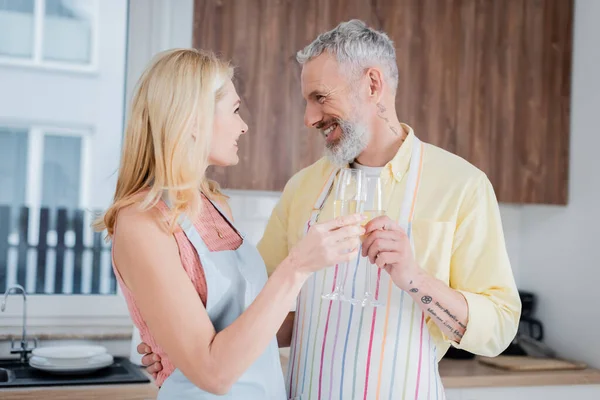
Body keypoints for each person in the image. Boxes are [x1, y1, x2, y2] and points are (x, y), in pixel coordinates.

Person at [140, 20, 521, 399]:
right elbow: (267, 314)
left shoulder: (461, 186)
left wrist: (414, 278)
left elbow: (498, 329)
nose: (309, 117)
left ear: (373, 85)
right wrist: (184, 351)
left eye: (320, 98)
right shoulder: (304, 187)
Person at [94, 48, 365, 399]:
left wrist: (348, 318)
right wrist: (297, 267)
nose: (244, 125)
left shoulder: (214, 202)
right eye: (235, 111)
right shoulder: (141, 223)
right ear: (193, 120)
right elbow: (213, 374)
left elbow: (247, 330)